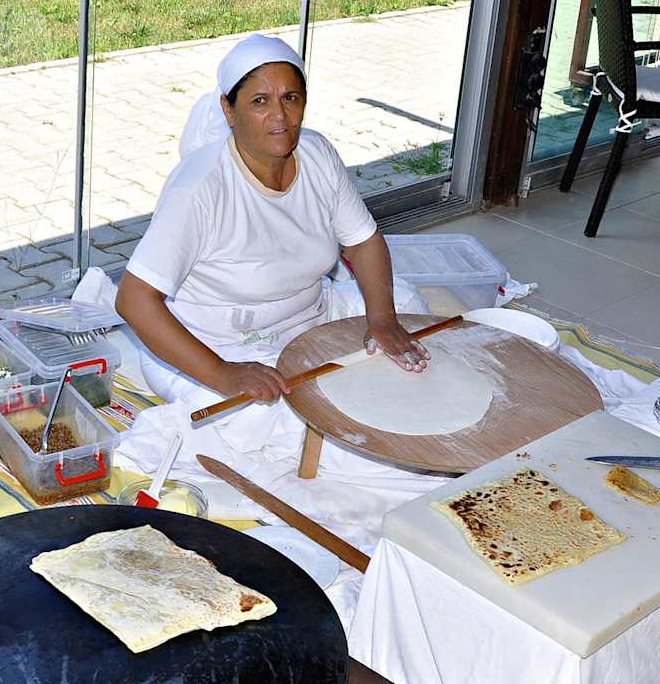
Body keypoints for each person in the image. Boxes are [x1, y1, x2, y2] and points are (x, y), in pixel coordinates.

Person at [116, 34, 428, 437]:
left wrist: (382, 319)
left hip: (311, 318)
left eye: (290, 98)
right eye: (260, 101)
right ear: (229, 110)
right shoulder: (199, 188)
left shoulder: (317, 154)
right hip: (217, 344)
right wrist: (224, 373)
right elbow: (134, 301)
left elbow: (363, 241)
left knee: (408, 307)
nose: (280, 116)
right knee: (281, 423)